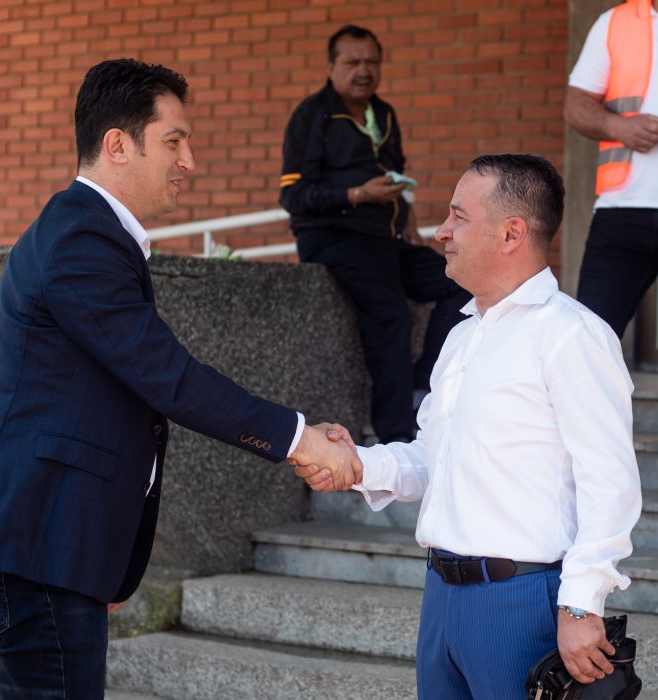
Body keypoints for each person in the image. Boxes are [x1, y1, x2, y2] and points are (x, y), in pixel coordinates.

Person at [0, 58, 357, 700]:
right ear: (118, 144)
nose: (188, 160)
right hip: (38, 542)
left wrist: (105, 557)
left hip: (50, 545)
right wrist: (300, 439)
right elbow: (167, 378)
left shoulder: (85, 231)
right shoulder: (81, 237)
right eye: (174, 141)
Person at [297, 154, 642, 699]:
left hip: (521, 602)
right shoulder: (461, 336)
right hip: (442, 597)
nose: (441, 231)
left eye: (458, 216)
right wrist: (357, 463)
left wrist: (582, 604)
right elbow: (432, 455)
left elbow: (610, 481)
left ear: (511, 233)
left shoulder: (573, 335)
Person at [279, 24, 469, 444]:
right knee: (391, 314)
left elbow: (396, 177)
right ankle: (395, 436)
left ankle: (421, 381)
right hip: (333, 238)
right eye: (352, 62)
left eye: (372, 62)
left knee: (462, 280)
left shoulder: (383, 113)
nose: (363, 71)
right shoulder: (312, 116)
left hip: (386, 240)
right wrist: (358, 194)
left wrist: (410, 224)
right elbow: (293, 196)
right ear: (331, 67)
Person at [565, 0, 658, 337]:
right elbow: (576, 105)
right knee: (587, 338)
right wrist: (619, 127)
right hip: (620, 213)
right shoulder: (615, 22)